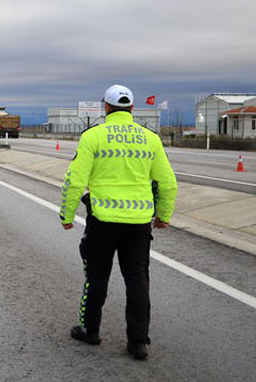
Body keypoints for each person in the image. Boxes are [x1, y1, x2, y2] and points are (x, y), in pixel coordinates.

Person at [58, 84, 178, 361]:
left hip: (102, 221)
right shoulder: (150, 139)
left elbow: (74, 180)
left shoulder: (93, 136)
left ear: (106, 107)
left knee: (97, 276)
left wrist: (66, 215)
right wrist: (164, 215)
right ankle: (138, 342)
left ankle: (90, 330)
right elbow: (168, 183)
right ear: (132, 109)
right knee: (137, 279)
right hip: (138, 223)